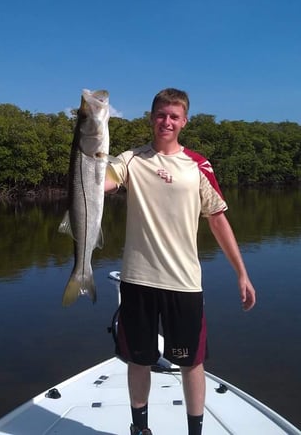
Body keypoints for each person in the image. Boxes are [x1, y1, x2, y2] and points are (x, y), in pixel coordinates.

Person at [105, 88, 256, 435]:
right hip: (138, 279)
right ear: (151, 117)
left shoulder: (197, 165)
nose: (166, 122)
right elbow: (101, 184)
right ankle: (140, 429)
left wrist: (242, 273)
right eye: (161, 115)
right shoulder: (130, 159)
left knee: (191, 362)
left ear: (184, 121)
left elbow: (218, 219)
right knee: (139, 360)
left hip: (184, 282)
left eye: (174, 116)